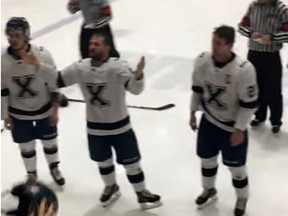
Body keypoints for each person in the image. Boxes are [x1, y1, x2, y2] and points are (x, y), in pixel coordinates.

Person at [57, 33, 161, 210]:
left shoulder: (118, 67)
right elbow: (57, 79)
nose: (92, 47)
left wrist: (138, 76)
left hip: (120, 127)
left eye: (97, 44)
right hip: (95, 129)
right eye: (91, 44)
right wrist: (37, 66)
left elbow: (135, 90)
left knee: (131, 163)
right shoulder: (80, 68)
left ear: (107, 48)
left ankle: (142, 192)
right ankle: (111, 186)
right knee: (103, 161)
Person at [189, 26, 258, 216]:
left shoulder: (243, 70)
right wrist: (192, 112)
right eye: (213, 42)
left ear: (230, 45)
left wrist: (239, 129)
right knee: (207, 160)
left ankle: (242, 197)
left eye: (219, 43)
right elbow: (197, 89)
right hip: (209, 121)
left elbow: (248, 104)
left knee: (236, 168)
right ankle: (209, 189)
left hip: (230, 126)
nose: (215, 47)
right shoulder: (203, 61)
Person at [1, 17, 65, 186]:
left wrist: (55, 110)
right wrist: (5, 115)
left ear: (27, 35)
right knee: (26, 146)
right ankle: (31, 174)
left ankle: (54, 167)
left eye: (17, 35)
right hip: (19, 113)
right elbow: (3, 90)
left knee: (50, 142)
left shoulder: (42, 54)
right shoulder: (2, 60)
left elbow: (54, 82)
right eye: (10, 35)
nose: (13, 39)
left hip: (44, 109)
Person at [238, 0, 288, 133]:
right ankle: (259, 116)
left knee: (273, 91)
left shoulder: (281, 10)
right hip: (254, 55)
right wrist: (250, 33)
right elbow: (241, 27)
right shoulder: (253, 7)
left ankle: (276, 120)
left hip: (271, 56)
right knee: (255, 88)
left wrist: (272, 37)